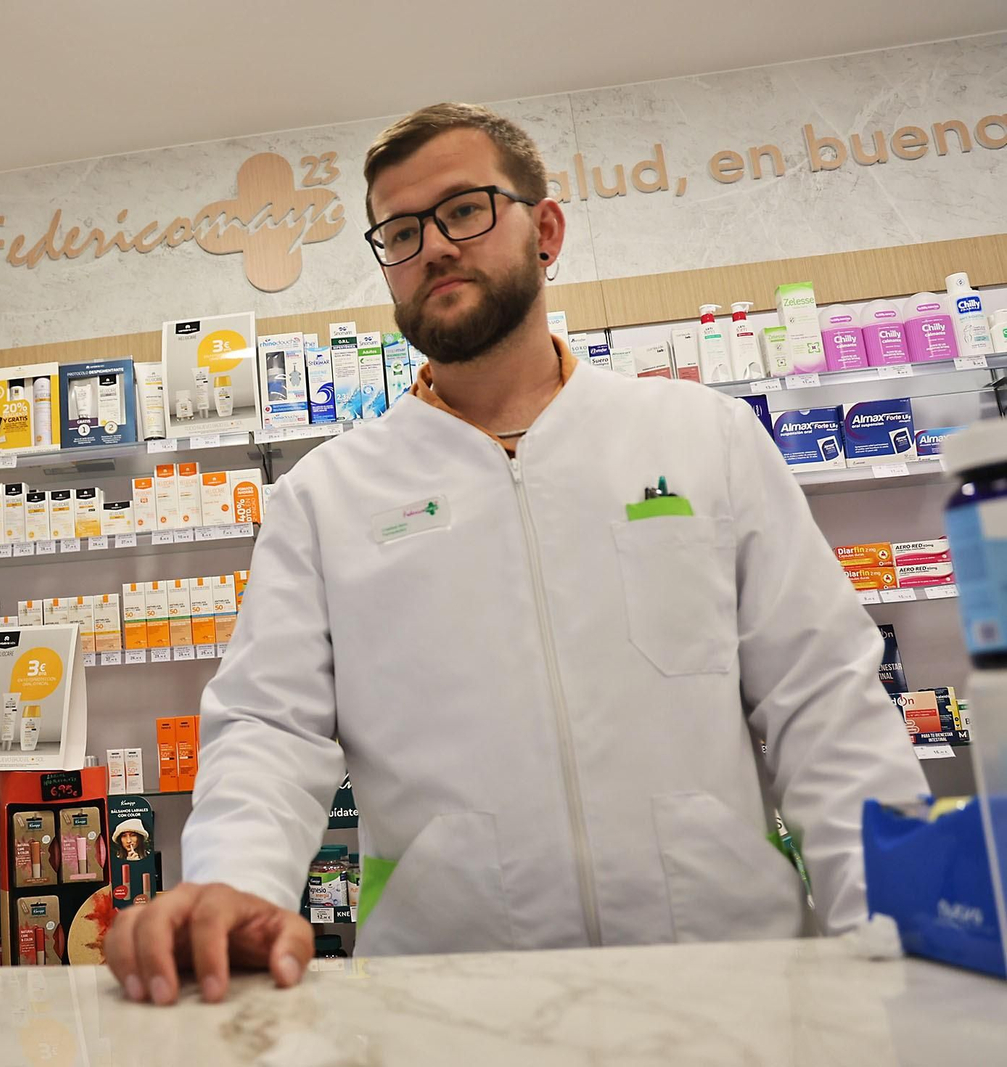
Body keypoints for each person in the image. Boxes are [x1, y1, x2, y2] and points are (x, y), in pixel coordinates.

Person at [103, 102, 928, 1007]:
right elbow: (268, 728)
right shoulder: (326, 495)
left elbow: (823, 701)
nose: (434, 247)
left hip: (732, 982)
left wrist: (893, 933)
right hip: (450, 1001)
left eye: (465, 210)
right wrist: (238, 883)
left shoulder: (703, 437)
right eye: (402, 231)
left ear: (546, 229)